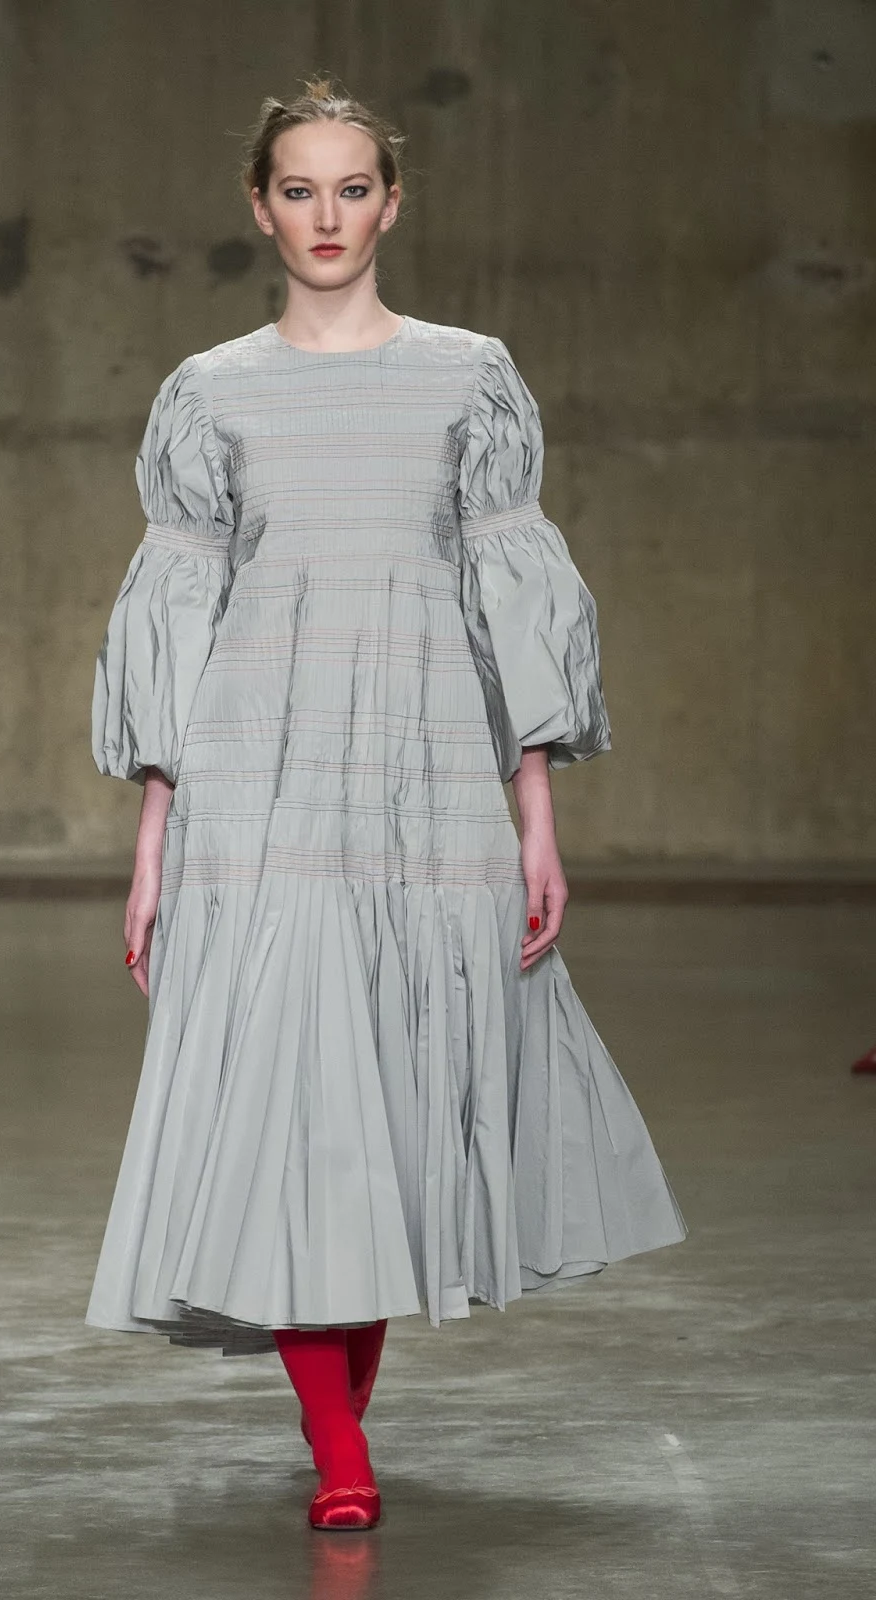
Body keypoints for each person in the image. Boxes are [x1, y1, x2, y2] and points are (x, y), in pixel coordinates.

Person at [84, 75, 687, 1532]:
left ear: (392, 203)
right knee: (294, 1104)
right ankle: (338, 1447)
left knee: (395, 1110)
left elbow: (509, 602)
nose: (327, 215)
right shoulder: (209, 392)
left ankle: (341, 1419)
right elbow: (176, 620)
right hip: (257, 790)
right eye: (299, 189)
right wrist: (153, 844)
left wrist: (535, 815)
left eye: (352, 188)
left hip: (424, 781)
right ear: (259, 208)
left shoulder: (470, 377)